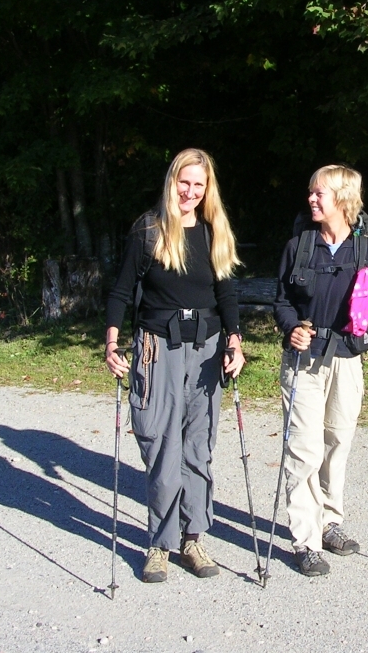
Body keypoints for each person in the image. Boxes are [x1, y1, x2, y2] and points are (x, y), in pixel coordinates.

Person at [273, 164, 368, 576]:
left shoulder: (367, 251)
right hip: (304, 362)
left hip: (347, 359)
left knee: (337, 444)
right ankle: (305, 540)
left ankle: (330, 522)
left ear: (343, 199)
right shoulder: (299, 246)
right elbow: (282, 302)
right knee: (303, 449)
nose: (311, 199)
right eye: (310, 192)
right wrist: (292, 330)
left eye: (319, 193)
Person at [104, 148, 244, 583]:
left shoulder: (214, 229)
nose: (190, 192)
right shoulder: (148, 230)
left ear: (208, 189)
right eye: (184, 182)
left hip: (206, 349)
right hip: (156, 348)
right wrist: (112, 343)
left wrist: (235, 342)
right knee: (160, 444)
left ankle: (193, 538)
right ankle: (160, 544)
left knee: (198, 447)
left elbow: (226, 294)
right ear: (172, 181)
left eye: (199, 185)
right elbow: (121, 291)